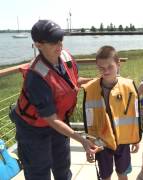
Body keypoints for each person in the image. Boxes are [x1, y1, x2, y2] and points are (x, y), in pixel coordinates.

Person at [9, 20, 99, 180]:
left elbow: (72, 81)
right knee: (39, 173)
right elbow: (51, 119)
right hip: (33, 130)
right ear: (38, 44)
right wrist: (81, 140)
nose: (59, 45)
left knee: (62, 167)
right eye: (52, 42)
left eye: (60, 39)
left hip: (59, 123)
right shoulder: (35, 77)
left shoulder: (65, 57)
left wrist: (98, 81)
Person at [82, 45, 141, 180]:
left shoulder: (128, 86)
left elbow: (135, 113)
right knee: (105, 175)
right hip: (101, 142)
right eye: (101, 68)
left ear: (118, 64)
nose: (106, 71)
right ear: (97, 66)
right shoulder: (91, 89)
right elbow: (89, 119)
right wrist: (90, 143)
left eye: (110, 67)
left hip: (123, 140)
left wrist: (135, 137)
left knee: (123, 173)